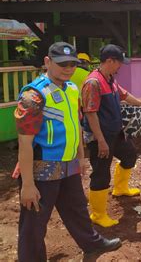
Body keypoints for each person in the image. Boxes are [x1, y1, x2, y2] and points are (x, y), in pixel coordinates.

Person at [14, 42, 121, 261]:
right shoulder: (33, 96)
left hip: (70, 163)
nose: (68, 68)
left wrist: (81, 159)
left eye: (72, 63)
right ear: (47, 62)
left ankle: (92, 244)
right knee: (34, 223)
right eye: (62, 64)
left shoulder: (72, 89)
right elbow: (25, 144)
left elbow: (76, 126)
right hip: (41, 168)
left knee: (77, 209)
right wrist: (27, 185)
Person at [82, 44, 141, 227]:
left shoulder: (110, 79)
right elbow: (90, 113)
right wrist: (100, 140)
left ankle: (121, 188)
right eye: (119, 63)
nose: (121, 66)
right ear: (109, 61)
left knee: (130, 155)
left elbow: (125, 95)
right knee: (101, 173)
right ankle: (98, 215)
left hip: (115, 132)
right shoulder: (93, 83)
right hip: (101, 137)